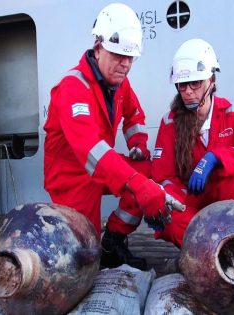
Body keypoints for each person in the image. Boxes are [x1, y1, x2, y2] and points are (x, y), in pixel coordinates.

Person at [43, 3, 170, 270]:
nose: (125, 64)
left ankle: (113, 239)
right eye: (118, 55)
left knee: (148, 170)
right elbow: (89, 149)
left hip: (103, 166)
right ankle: (94, 248)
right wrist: (136, 183)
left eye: (130, 57)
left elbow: (134, 114)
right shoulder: (72, 88)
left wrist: (138, 144)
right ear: (98, 47)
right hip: (72, 177)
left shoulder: (120, 82)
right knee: (84, 255)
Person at [151, 38, 234, 249]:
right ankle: (216, 251)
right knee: (170, 218)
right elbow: (163, 176)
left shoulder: (232, 113)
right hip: (190, 201)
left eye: (195, 83)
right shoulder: (170, 123)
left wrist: (216, 158)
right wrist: (178, 200)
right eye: (181, 84)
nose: (187, 91)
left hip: (226, 198)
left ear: (211, 81)